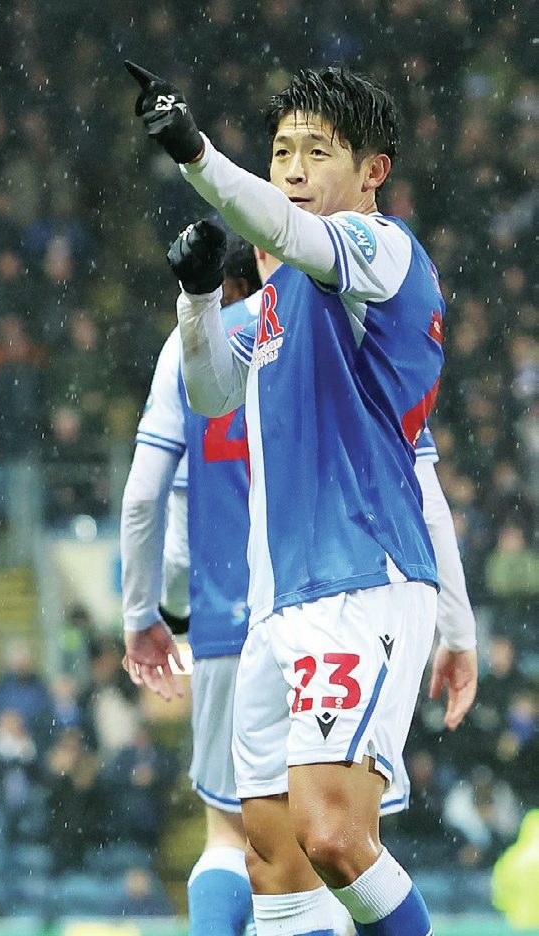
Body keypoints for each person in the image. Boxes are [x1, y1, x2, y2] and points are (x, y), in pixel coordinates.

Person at [125, 62, 479, 935]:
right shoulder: (279, 293)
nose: (291, 167)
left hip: (363, 578)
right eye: (281, 149)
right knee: (272, 860)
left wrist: (194, 152)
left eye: (316, 151)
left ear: (372, 173)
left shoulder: (379, 249)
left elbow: (285, 225)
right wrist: (199, 295)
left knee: (332, 835)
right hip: (276, 608)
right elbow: (208, 388)